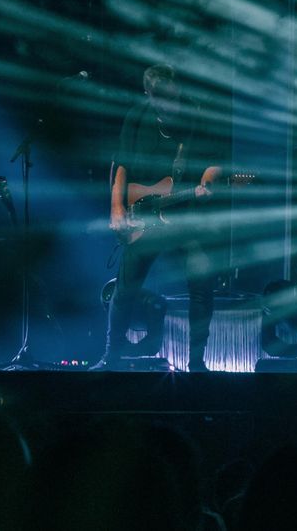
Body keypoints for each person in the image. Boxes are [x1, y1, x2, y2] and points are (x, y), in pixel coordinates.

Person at [93, 64, 225, 372]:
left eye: (171, 95)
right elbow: (121, 166)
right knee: (125, 288)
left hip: (188, 215)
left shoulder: (199, 119)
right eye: (158, 97)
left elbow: (216, 162)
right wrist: (116, 208)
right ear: (148, 94)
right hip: (145, 216)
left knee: (202, 284)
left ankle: (196, 362)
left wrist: (208, 181)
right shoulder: (137, 117)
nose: (167, 102)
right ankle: (111, 357)